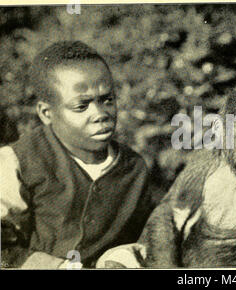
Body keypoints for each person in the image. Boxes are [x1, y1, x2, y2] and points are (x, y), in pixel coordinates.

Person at [0, 41, 155, 268]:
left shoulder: (134, 168)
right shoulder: (17, 161)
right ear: (46, 113)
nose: (100, 114)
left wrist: (122, 257)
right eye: (82, 106)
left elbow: (144, 238)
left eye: (107, 100)